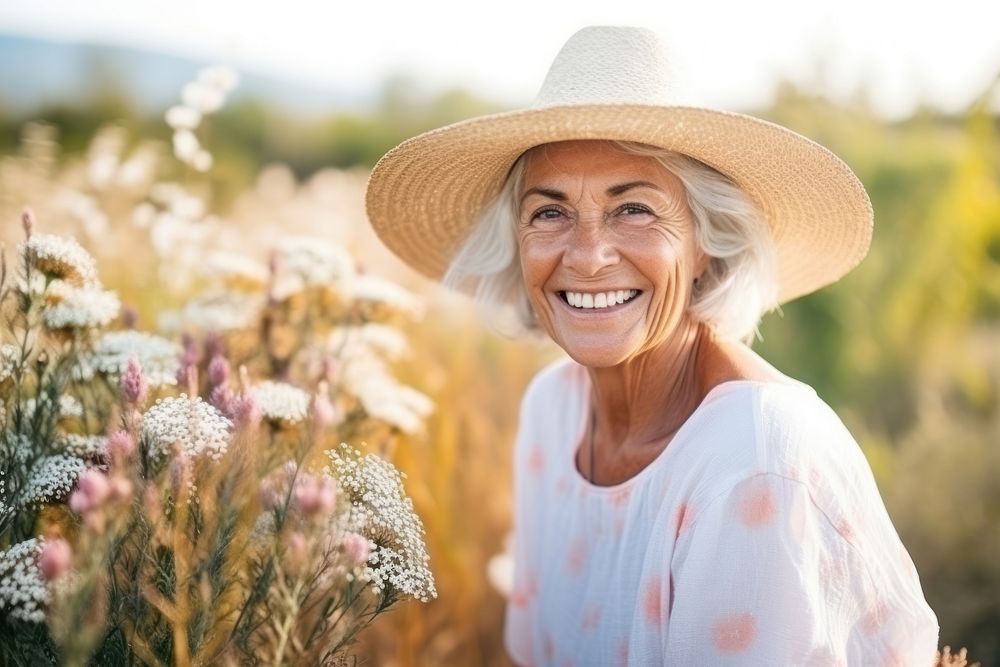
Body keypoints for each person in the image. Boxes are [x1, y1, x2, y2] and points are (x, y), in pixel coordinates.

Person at [364, 25, 939, 666]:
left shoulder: (755, 461)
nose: (587, 257)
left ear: (703, 244)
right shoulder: (552, 411)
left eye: (634, 209)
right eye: (549, 213)